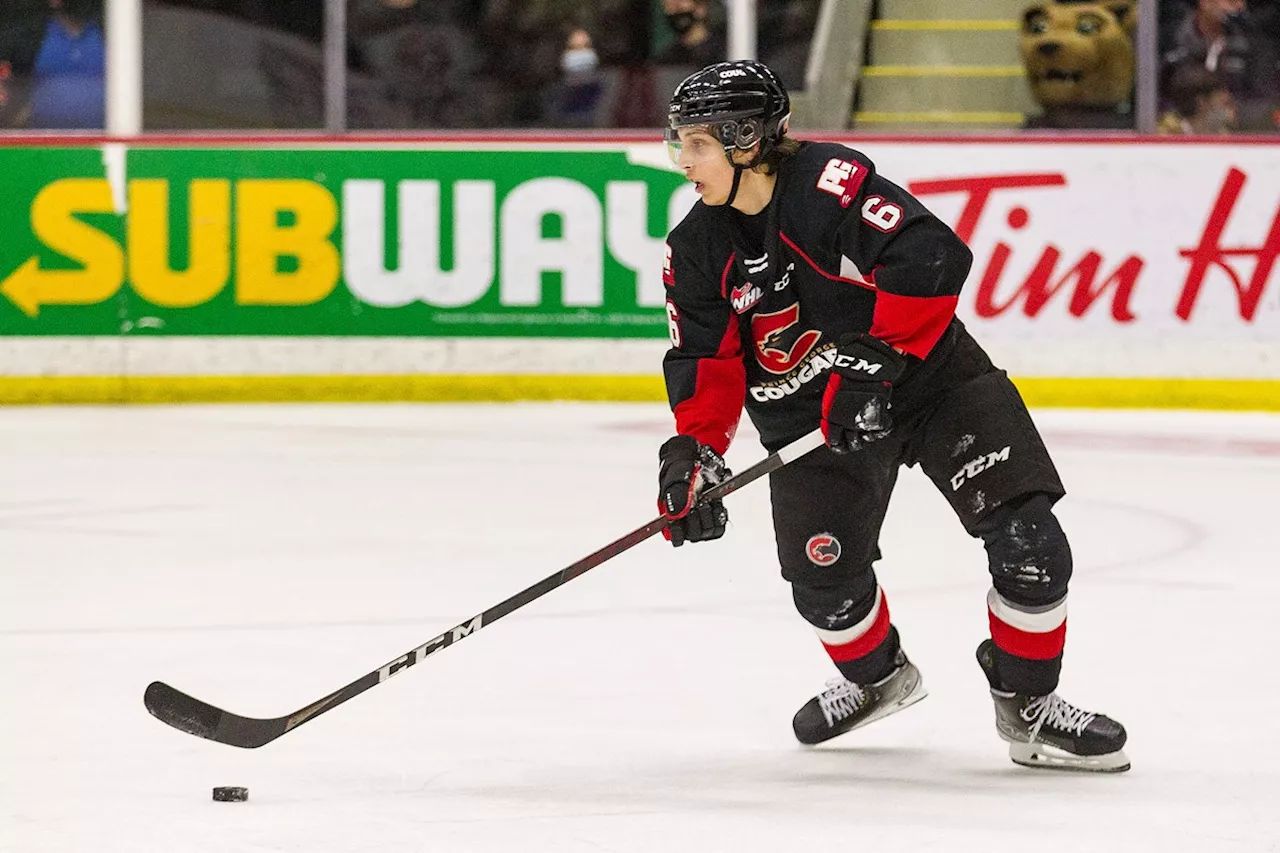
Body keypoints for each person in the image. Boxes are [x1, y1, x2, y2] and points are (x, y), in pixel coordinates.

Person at [655, 60, 1129, 772]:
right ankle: (876, 678)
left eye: (696, 143)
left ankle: (1029, 709)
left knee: (1031, 547)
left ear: (745, 138)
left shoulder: (827, 186)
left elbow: (932, 257)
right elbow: (705, 357)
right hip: (811, 421)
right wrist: (693, 450)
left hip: (931, 380)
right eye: (681, 142)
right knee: (826, 590)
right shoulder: (696, 247)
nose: (683, 161)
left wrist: (872, 357)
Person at [1161, 0, 1280, 131]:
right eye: (1231, 1)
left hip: (1241, 141)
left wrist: (1232, 113)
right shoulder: (1170, 39)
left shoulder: (1257, 46)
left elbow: (1266, 101)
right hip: (1178, 140)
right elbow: (1156, 100)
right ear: (1204, 2)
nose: (1240, 6)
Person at [1159, 63, 1238, 132]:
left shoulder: (1223, 140)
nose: (1231, 111)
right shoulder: (1165, 137)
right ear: (1202, 103)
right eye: (1224, 104)